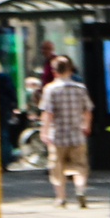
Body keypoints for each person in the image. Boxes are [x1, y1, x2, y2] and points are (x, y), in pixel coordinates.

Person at [37, 54, 94, 208]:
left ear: (54, 71)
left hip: (57, 136)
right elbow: (88, 110)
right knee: (80, 166)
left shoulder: (50, 89)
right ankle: (80, 190)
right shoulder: (80, 88)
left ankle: (61, 198)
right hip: (77, 135)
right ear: (70, 69)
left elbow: (48, 113)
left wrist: (44, 131)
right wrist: (86, 125)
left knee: (57, 168)